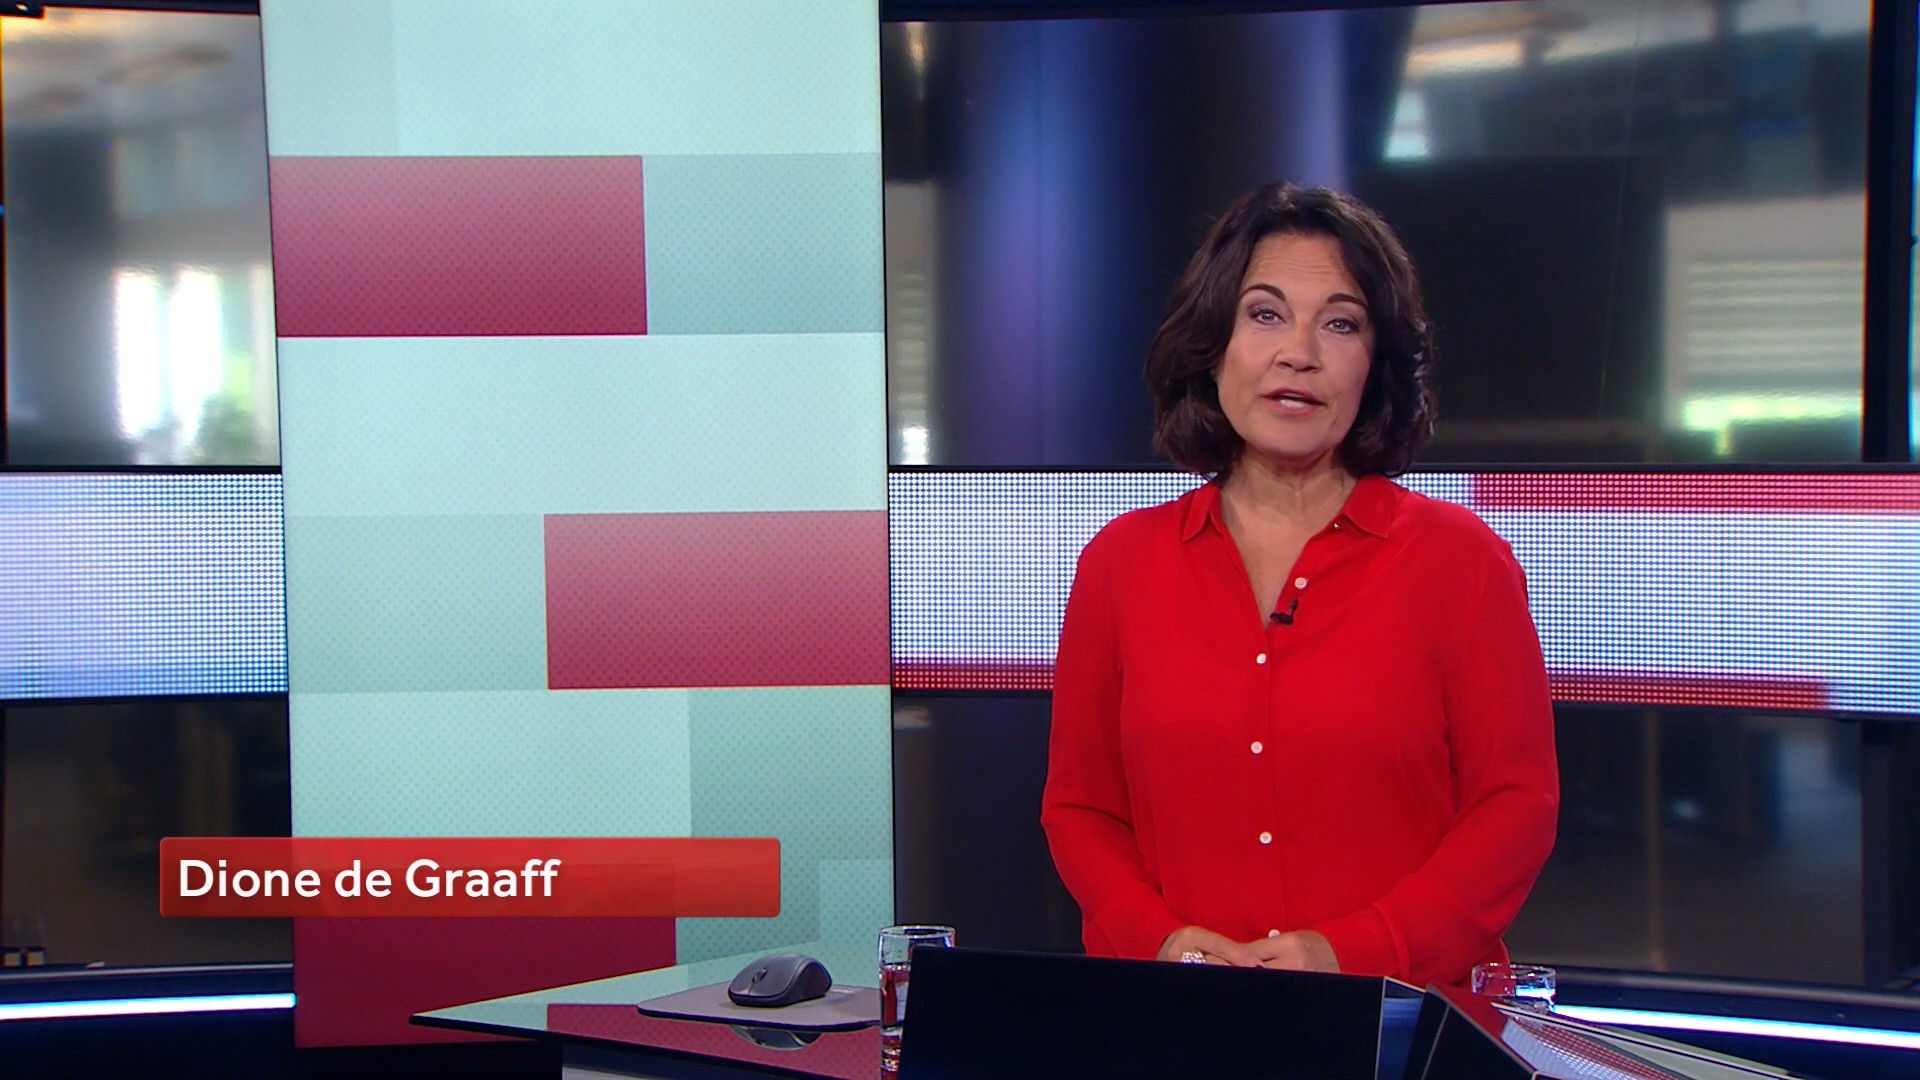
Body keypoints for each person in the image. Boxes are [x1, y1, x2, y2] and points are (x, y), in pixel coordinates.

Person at [1039, 183, 1559, 988]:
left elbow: (1515, 809)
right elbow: (1083, 810)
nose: (1299, 353)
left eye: (1340, 324)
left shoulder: (1463, 563)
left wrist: (1358, 951)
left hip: (1395, 1022)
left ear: (1374, 365)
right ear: (1213, 345)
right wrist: (1161, 941)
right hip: (1177, 1019)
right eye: (1266, 314)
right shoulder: (1119, 564)